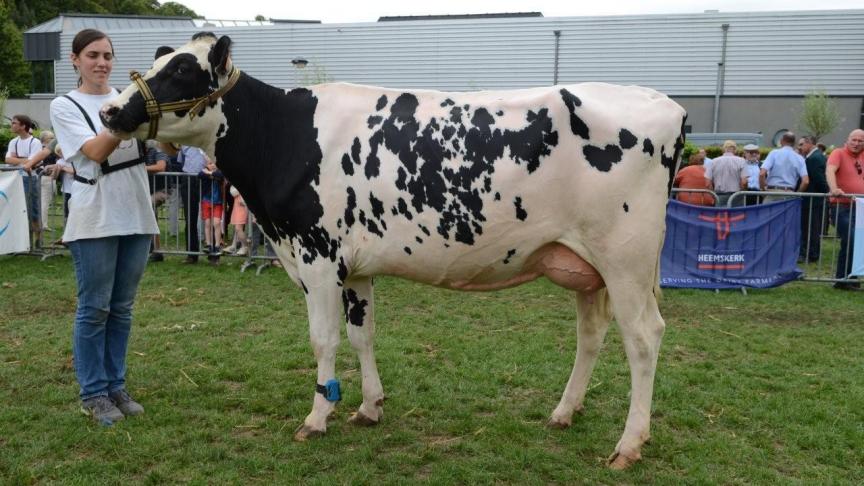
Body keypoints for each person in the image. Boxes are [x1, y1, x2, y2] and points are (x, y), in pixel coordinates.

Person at [49, 29, 159, 424]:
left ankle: (116, 385)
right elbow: (94, 153)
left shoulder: (128, 98)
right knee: (94, 308)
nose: (102, 62)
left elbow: (169, 146)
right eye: (92, 55)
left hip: (136, 212)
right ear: (75, 59)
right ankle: (94, 392)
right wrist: (126, 117)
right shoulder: (65, 106)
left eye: (108, 56)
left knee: (122, 308)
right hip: (95, 215)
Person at [826, 129, 864, 290]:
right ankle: (842, 279)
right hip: (841, 206)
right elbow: (830, 170)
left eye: (860, 141)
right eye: (853, 140)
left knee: (858, 241)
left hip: (861, 207)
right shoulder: (838, 153)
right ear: (847, 140)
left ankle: (851, 278)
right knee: (850, 237)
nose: (856, 143)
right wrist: (834, 188)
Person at [4, 114, 43, 245]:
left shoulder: (35, 142)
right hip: (16, 179)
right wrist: (25, 160)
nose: (12, 125)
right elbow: (7, 160)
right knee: (17, 208)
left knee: (33, 209)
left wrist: (19, 160)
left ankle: (38, 237)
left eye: (14, 123)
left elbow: (33, 162)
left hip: (30, 179)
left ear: (23, 126)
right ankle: (23, 240)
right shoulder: (13, 142)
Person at [797, 136, 828, 263]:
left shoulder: (814, 158)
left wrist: (825, 192)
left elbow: (819, 179)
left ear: (809, 143)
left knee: (810, 227)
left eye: (801, 144)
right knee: (810, 227)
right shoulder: (814, 156)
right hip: (812, 199)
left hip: (812, 199)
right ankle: (811, 253)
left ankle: (811, 254)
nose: (799, 147)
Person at [760, 132, 809, 202]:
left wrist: (763, 189)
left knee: (768, 213)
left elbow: (762, 174)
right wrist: (797, 194)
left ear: (781, 141)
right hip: (789, 194)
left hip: (772, 192)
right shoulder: (800, 158)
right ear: (794, 143)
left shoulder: (774, 153)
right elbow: (805, 181)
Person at [27, 130, 60, 232]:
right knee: (44, 202)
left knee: (38, 202)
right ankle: (43, 224)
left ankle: (37, 223)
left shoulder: (38, 148)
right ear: (46, 139)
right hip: (47, 177)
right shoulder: (51, 150)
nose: (53, 139)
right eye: (51, 138)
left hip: (38, 176)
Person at [144, 140, 168, 262]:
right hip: (148, 191)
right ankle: (155, 251)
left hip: (162, 190)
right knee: (151, 218)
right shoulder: (143, 152)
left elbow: (161, 166)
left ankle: (155, 250)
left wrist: (141, 168)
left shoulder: (158, 149)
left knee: (148, 209)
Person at [705, 140, 748, 207]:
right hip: (736, 195)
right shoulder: (742, 161)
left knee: (720, 216)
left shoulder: (713, 161)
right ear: (735, 150)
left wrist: (713, 194)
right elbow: (744, 182)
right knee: (737, 216)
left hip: (719, 195)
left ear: (723, 149)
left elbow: (707, 183)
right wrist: (742, 192)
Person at [199, 158, 224, 263]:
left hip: (217, 202)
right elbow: (200, 175)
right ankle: (209, 244)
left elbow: (220, 175)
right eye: (210, 163)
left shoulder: (219, 172)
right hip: (206, 201)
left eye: (214, 163)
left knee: (217, 223)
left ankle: (217, 245)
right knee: (208, 223)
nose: (212, 165)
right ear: (206, 164)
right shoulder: (203, 171)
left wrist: (210, 173)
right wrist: (210, 174)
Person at [226, 184, 250, 256]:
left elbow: (234, 191)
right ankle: (234, 245)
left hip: (242, 205)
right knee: (237, 227)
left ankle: (245, 246)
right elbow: (233, 192)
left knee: (238, 228)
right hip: (237, 204)